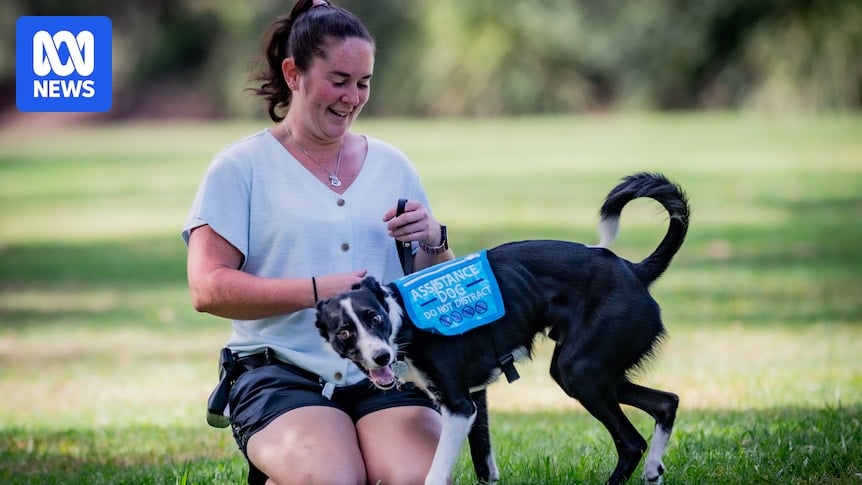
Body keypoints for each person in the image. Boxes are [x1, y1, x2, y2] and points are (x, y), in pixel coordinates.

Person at [181, 1, 454, 483]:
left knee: (417, 478)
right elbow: (207, 288)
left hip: (384, 372)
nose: (352, 96)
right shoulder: (239, 168)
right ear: (294, 73)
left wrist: (434, 238)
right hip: (279, 373)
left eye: (364, 82)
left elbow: (434, 287)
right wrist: (318, 290)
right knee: (332, 478)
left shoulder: (394, 165)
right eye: (339, 79)